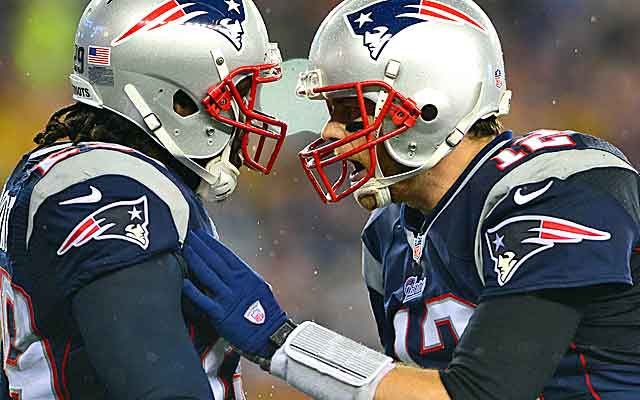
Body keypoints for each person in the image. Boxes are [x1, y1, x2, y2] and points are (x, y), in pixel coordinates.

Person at [182, 0, 640, 399]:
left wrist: (284, 344)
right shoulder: (387, 235)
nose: (330, 132)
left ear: (429, 107)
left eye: (351, 111)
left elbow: (484, 392)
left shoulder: (557, 185)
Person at [0, 0, 289, 398]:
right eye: (237, 94)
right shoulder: (109, 188)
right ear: (177, 101)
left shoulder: (72, 169)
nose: (248, 114)